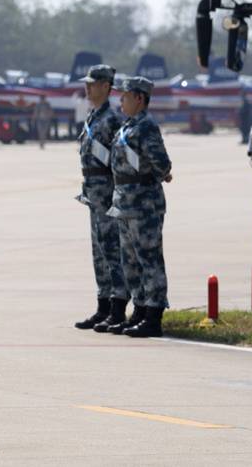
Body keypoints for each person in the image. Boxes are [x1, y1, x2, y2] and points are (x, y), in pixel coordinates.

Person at [107, 76, 172, 338]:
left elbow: (163, 165)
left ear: (139, 98)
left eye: (125, 96)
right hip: (124, 204)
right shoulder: (128, 126)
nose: (120, 100)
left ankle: (154, 315)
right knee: (131, 263)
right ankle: (140, 310)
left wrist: (156, 175)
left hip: (144, 206)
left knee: (149, 260)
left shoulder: (146, 127)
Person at [73, 65, 129, 332]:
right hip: (94, 196)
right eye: (87, 83)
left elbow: (120, 161)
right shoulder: (94, 116)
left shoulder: (112, 119)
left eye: (93, 84)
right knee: (99, 253)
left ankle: (118, 308)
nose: (88, 88)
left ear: (107, 86)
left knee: (112, 251)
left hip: (108, 195)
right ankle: (103, 306)